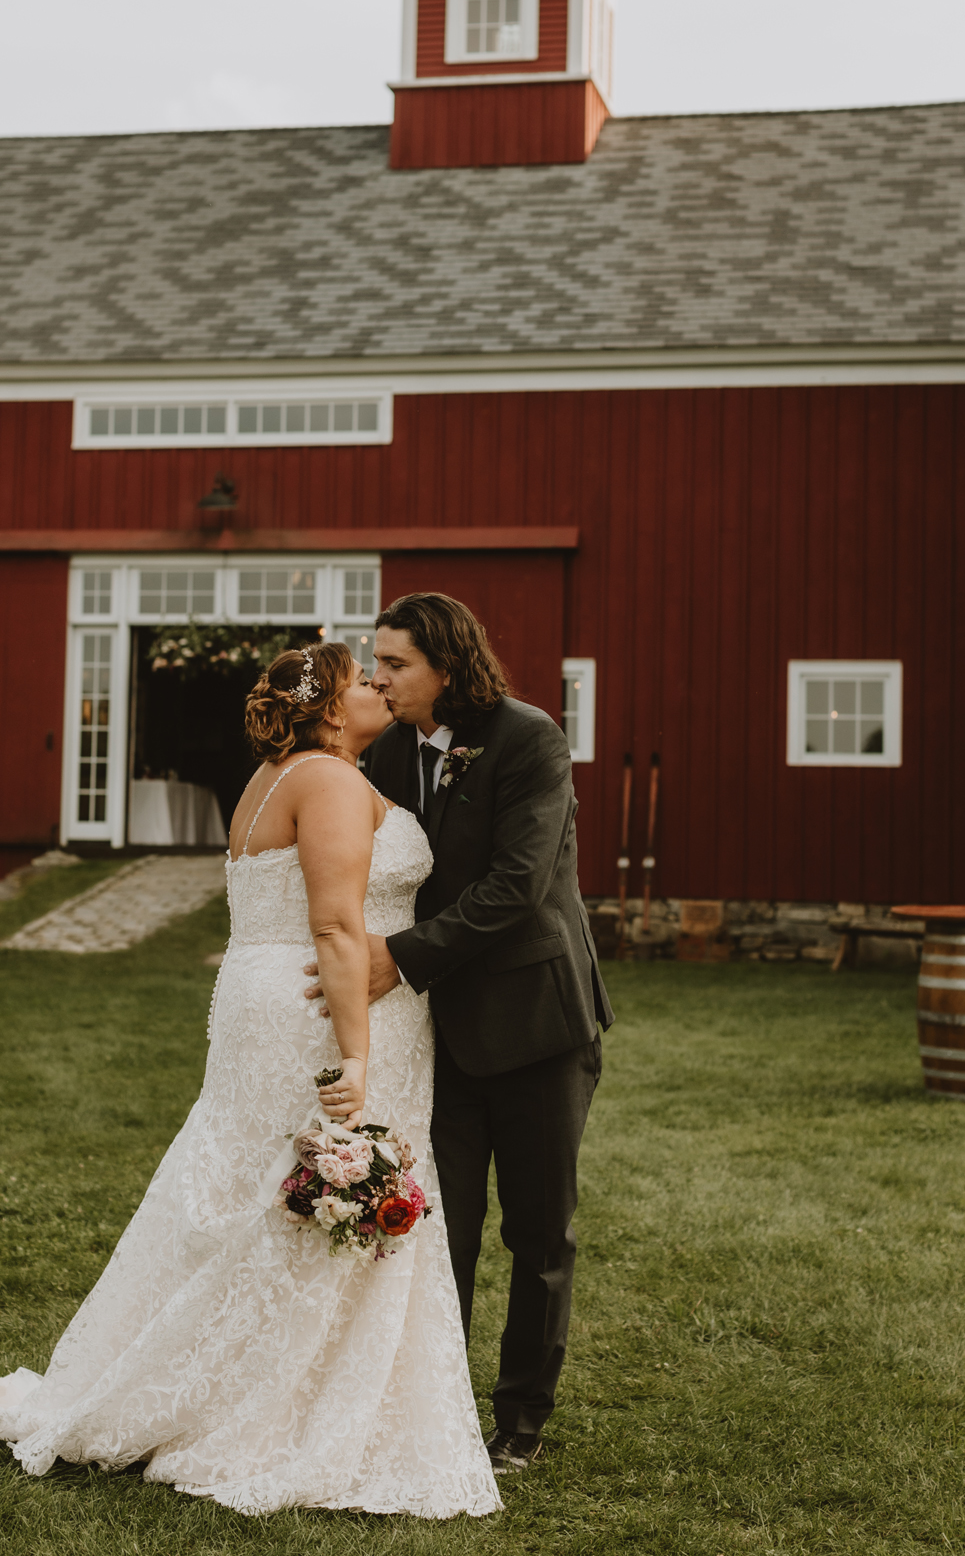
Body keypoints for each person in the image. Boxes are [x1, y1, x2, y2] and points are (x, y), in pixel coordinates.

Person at [0, 643, 500, 1520]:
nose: (379, 688)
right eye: (364, 681)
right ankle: (273, 1409)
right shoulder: (328, 782)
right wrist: (357, 1057)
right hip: (320, 1004)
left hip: (261, 993)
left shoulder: (273, 776)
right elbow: (335, 926)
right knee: (308, 1179)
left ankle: (221, 1376)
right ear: (331, 711)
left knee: (244, 1177)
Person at [307, 593, 612, 1476]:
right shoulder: (397, 749)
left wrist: (393, 959)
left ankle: (520, 1422)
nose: (379, 678)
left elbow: (518, 885)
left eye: (395, 663)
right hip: (440, 1035)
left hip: (538, 1026)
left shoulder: (529, 739)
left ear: (446, 664)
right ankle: (430, 1410)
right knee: (443, 1233)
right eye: (376, 662)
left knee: (539, 1233)